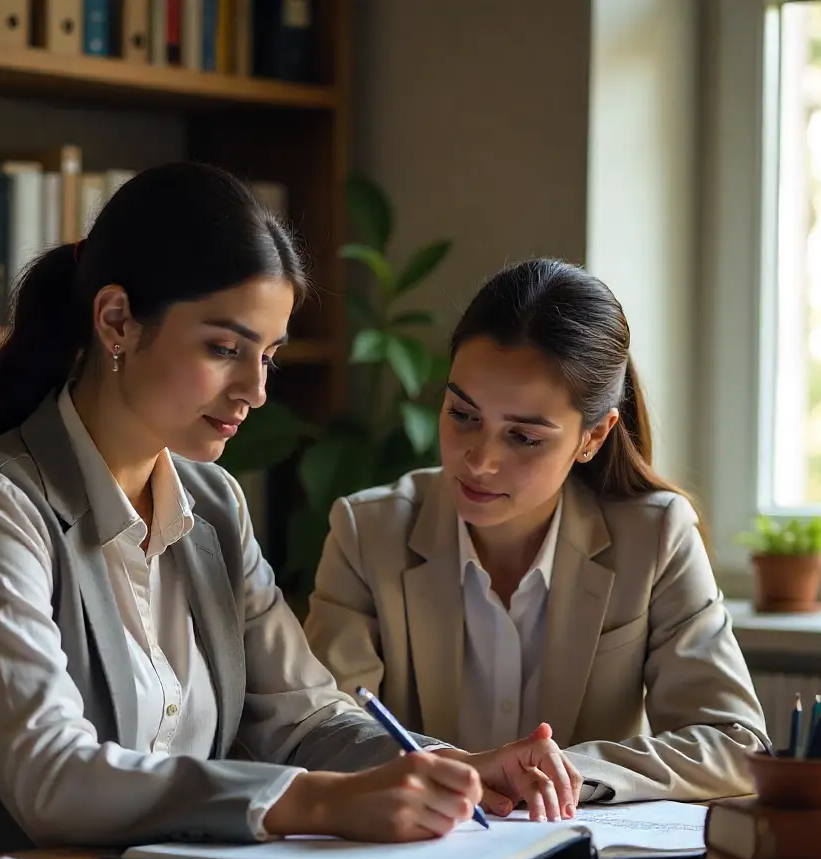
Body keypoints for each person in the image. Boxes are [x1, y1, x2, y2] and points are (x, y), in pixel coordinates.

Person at [0, 165, 577, 859]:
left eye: (267, 357)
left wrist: (450, 762)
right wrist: (315, 799)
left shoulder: (214, 505)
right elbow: (52, 778)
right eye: (224, 349)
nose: (255, 392)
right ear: (116, 320)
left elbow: (301, 716)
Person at [304, 257, 772, 806]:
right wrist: (470, 772)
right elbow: (320, 731)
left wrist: (560, 772)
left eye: (524, 437)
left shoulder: (657, 536)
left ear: (593, 437)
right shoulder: (368, 531)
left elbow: (734, 743)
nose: (479, 460)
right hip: (424, 855)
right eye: (463, 414)